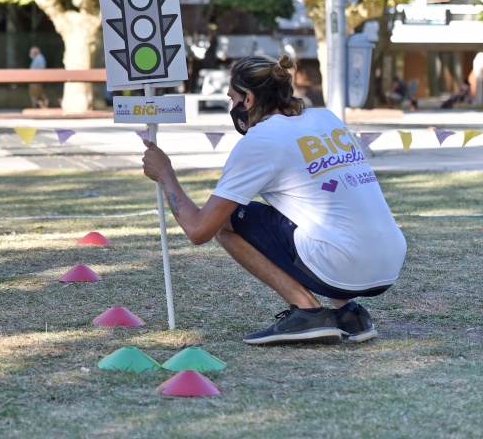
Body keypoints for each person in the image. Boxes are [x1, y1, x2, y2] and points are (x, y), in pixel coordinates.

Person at [142, 54, 407, 346]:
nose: (232, 107)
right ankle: (349, 314)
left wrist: (166, 175)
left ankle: (307, 312)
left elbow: (199, 230)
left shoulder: (260, 141)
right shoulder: (326, 118)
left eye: (232, 98)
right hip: (390, 262)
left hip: (343, 266)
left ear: (249, 98)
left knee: (226, 222)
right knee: (321, 212)